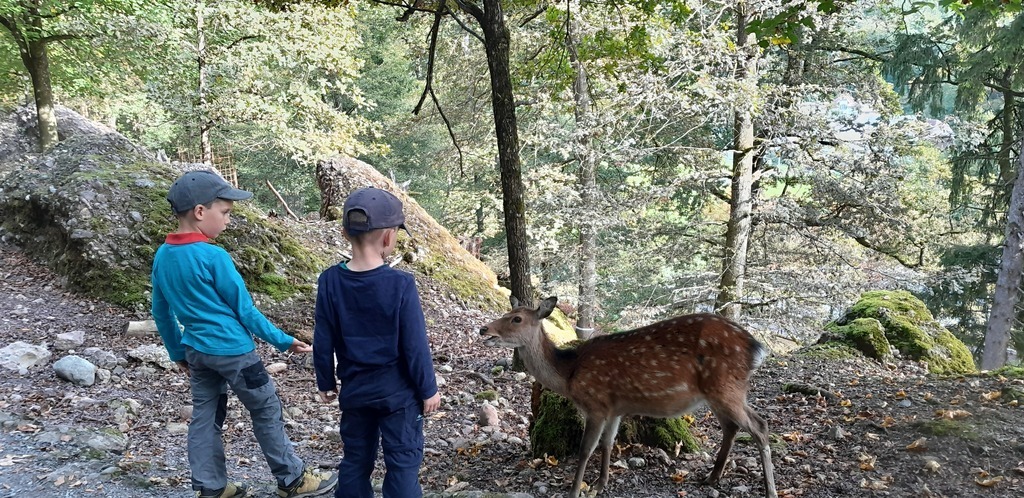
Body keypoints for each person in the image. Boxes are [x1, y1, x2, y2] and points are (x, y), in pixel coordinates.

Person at [151, 169, 338, 498]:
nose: (227, 221)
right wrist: (283, 340)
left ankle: (211, 487)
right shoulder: (214, 256)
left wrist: (177, 353)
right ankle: (292, 480)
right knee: (266, 408)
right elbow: (245, 311)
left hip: (196, 351)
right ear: (199, 212)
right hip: (235, 353)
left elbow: (161, 312)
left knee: (205, 416)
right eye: (224, 213)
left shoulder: (163, 255)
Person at [313, 187, 441, 498]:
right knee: (403, 462)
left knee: (356, 461)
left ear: (345, 233)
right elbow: (414, 345)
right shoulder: (400, 284)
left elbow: (323, 336)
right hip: (398, 397)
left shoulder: (329, 280)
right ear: (388, 238)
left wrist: (325, 381)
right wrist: (428, 388)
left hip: (355, 393)